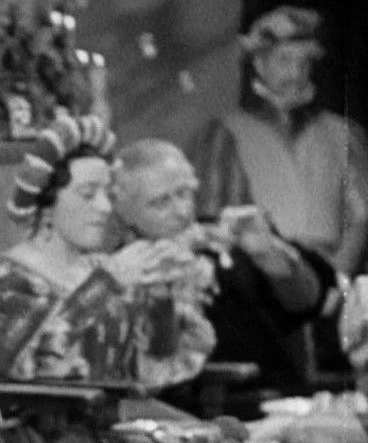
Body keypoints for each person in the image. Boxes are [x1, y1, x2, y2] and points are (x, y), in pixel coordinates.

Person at [0, 116, 215, 387]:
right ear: (48, 204)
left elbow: (151, 369)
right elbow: (17, 365)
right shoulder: (5, 279)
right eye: (88, 194)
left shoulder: (104, 267)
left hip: (120, 411)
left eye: (107, 193)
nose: (105, 207)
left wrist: (160, 297)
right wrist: (103, 285)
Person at [113, 138, 334, 393]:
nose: (182, 211)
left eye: (184, 193)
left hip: (275, 394)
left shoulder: (231, 236)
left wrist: (269, 254)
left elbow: (309, 302)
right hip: (185, 403)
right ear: (125, 212)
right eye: (161, 202)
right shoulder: (121, 268)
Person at [193, 5, 368, 277]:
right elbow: (212, 221)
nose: (295, 74)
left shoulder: (342, 133)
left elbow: (360, 217)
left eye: (304, 64)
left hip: (331, 276)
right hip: (258, 280)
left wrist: (335, 279)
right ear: (259, 65)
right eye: (284, 61)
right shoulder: (225, 134)